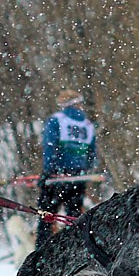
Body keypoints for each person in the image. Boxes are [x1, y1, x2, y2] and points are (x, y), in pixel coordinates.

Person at [39, 90, 100, 218]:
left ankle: (46, 231)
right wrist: (86, 169)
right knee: (74, 216)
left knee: (47, 215)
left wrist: (48, 171)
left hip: (56, 175)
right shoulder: (87, 125)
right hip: (78, 176)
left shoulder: (57, 120)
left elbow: (50, 146)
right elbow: (92, 152)